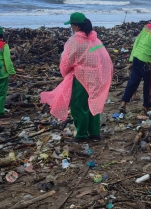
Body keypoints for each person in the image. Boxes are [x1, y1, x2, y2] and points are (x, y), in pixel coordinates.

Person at [41, 12, 113, 143]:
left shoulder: (75, 41)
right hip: (98, 77)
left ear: (76, 26)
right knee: (94, 103)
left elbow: (66, 61)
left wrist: (66, 73)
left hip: (82, 78)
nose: (71, 27)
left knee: (79, 105)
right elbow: (104, 58)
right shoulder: (95, 39)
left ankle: (81, 135)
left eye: (72, 25)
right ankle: (95, 133)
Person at [119, 12, 151, 115]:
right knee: (150, 85)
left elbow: (137, 41)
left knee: (133, 81)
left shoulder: (147, 26)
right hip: (147, 61)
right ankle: (146, 107)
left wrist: (132, 57)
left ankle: (123, 103)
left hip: (137, 56)